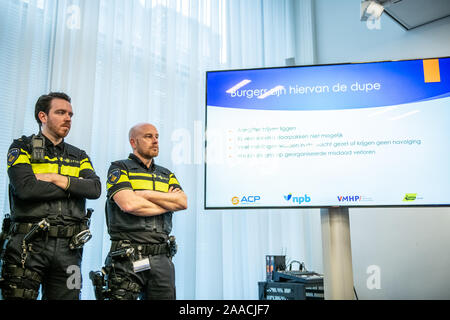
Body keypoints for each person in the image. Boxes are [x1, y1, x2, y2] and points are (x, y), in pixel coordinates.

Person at [0, 92, 101, 300]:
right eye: (61, 112)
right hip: (28, 245)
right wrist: (73, 187)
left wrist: (54, 178)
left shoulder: (79, 155)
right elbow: (26, 189)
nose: (68, 119)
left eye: (71, 115)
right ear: (43, 117)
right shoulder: (22, 147)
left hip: (70, 250)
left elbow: (94, 189)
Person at [102, 123, 187, 300]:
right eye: (148, 136)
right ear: (133, 142)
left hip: (162, 257)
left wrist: (144, 194)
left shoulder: (167, 174)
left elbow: (182, 202)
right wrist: (166, 202)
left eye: (157, 136)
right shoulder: (119, 168)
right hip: (127, 257)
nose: (155, 141)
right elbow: (129, 205)